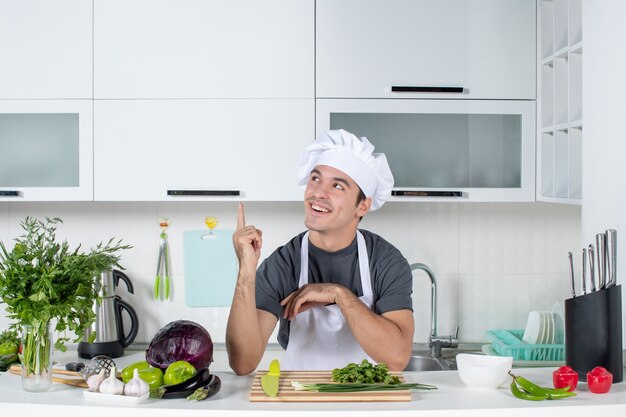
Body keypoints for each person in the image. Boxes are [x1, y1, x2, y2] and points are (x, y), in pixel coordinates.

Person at [226, 129, 414, 375]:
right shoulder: (284, 263)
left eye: (337, 186)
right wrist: (246, 270)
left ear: (363, 205)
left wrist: (339, 295)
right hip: (301, 400)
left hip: (366, 400)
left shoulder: (386, 262)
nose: (318, 193)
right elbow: (243, 363)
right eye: (315, 179)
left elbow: (397, 358)